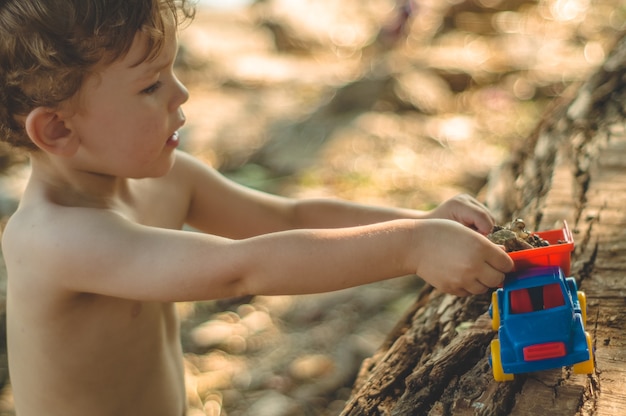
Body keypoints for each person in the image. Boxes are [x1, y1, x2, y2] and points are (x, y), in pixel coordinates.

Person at [0, 1, 514, 415]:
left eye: (173, 70)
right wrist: (408, 248)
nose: (181, 93)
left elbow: (287, 219)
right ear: (59, 129)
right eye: (151, 85)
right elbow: (239, 271)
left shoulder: (166, 179)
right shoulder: (52, 240)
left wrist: (418, 223)